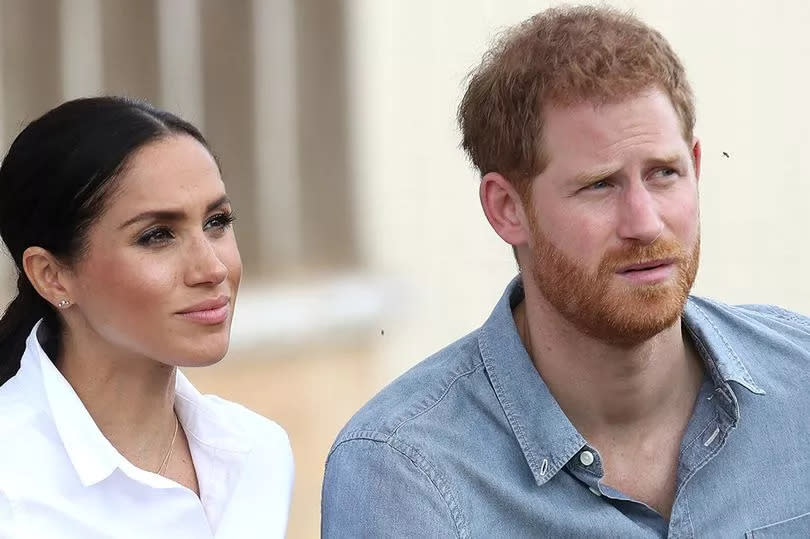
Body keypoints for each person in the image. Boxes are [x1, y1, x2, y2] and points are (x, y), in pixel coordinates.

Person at [321, 5, 810, 537]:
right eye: (600, 185)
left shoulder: (801, 382)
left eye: (664, 174)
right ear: (507, 208)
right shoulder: (405, 473)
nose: (645, 223)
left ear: (696, 166)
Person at [0, 97, 293, 538]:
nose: (212, 268)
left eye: (217, 221)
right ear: (52, 276)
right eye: (157, 235)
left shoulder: (258, 453)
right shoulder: (13, 486)